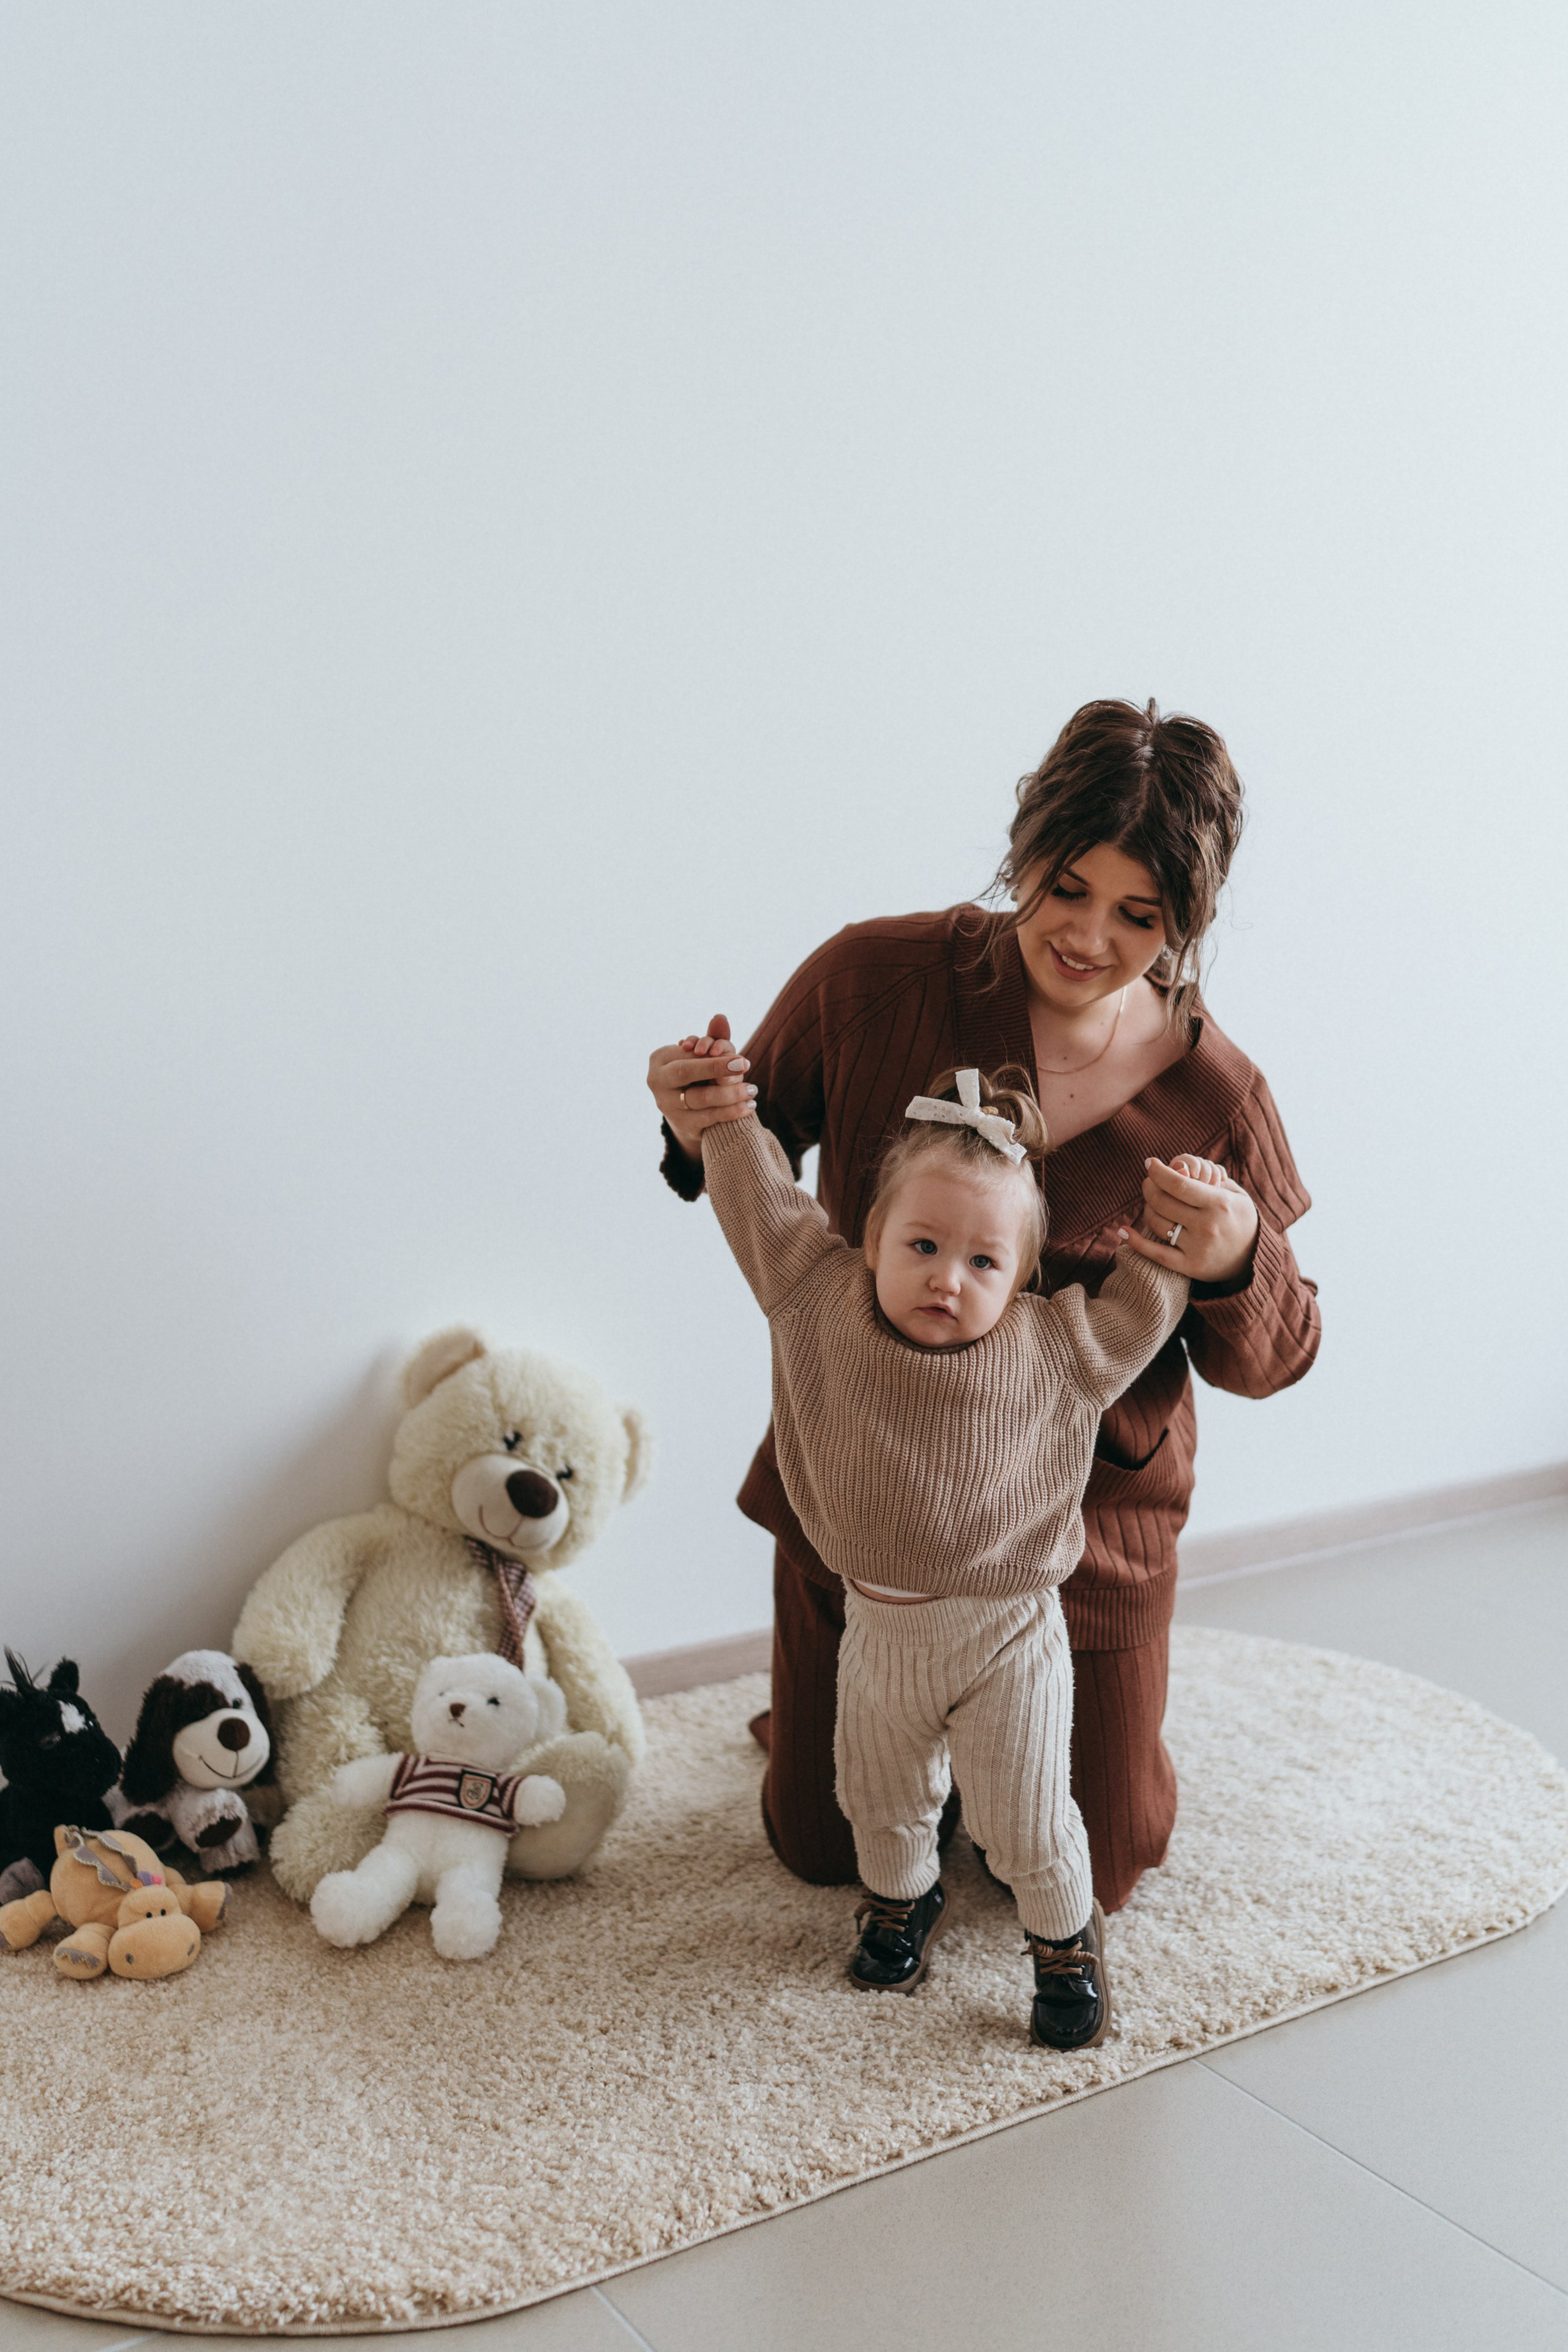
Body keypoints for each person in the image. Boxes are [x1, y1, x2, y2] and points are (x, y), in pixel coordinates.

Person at [647, 698, 1321, 1915]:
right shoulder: (872, 981)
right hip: (869, 1507)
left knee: (1098, 1864)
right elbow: (741, 1149)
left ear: (1186, 921)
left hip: (1080, 1537)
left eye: (1139, 915)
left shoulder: (1217, 1091)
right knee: (814, 1843)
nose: (1086, 935)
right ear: (1023, 848)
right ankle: (890, 1734)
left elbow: (1276, 1357)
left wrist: (1231, 1257)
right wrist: (689, 1111)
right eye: (1064, 888)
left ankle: (1022, 1737)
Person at [696, 1061, 1213, 2045]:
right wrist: (725, 1124)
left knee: (1025, 1816)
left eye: (984, 1262)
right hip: (880, 1626)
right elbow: (762, 1207)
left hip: (1009, 1631)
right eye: (922, 1245)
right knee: (879, 1795)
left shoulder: (1053, 1346)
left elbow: (1144, 1309)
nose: (947, 1276)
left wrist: (1175, 1237)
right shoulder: (819, 1299)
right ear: (873, 1242)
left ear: (1022, 1277)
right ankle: (903, 1902)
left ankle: (1065, 1941)